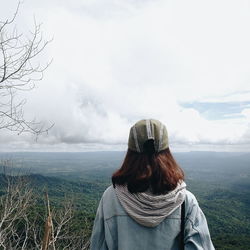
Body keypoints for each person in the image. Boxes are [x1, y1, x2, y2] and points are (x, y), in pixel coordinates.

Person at [90, 119, 215, 250]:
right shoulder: (185, 201)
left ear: (130, 153)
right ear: (167, 152)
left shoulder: (110, 198)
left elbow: (98, 245)